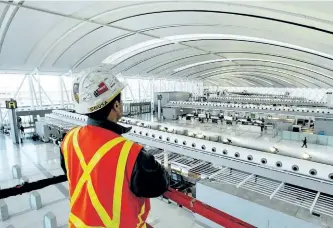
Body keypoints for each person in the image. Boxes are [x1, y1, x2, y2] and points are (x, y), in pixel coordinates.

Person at [60, 66, 169, 228]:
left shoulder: (69, 139)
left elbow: (70, 170)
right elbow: (159, 184)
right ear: (116, 106)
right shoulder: (131, 153)